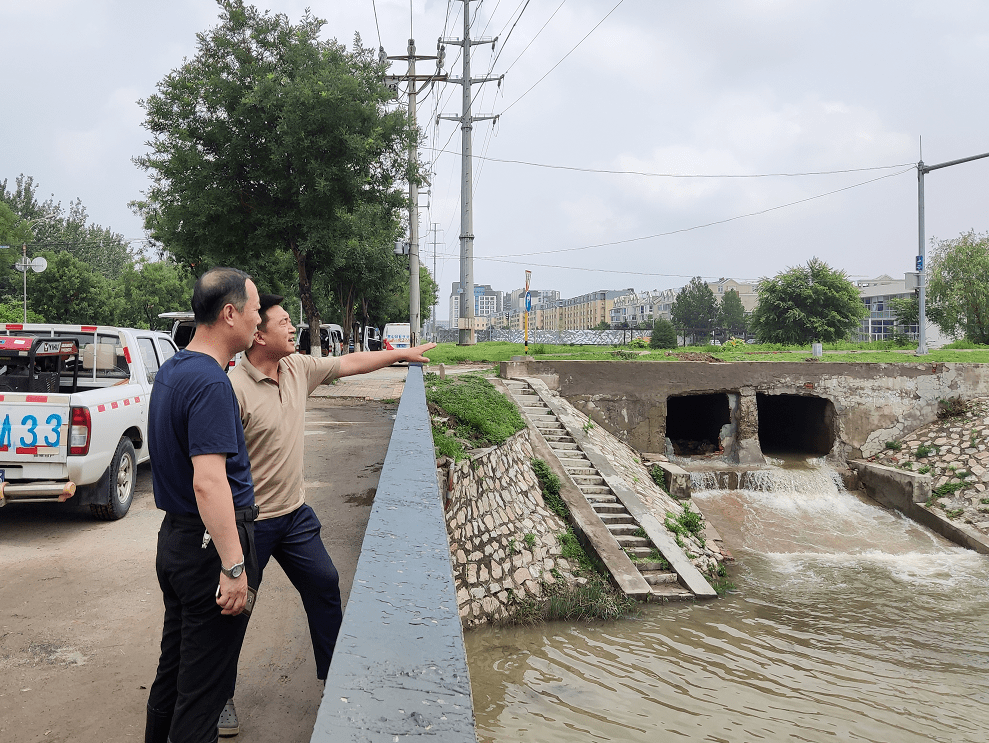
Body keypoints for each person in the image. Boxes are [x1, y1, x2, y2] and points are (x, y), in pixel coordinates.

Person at [219, 295, 434, 737]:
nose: (292, 328)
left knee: (324, 583)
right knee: (235, 610)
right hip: (251, 523)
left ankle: (333, 679)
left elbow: (350, 363)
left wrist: (402, 355)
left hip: (294, 515)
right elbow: (215, 470)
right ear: (258, 335)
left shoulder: (298, 368)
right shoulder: (233, 389)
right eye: (283, 322)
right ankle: (219, 696)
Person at [144, 267, 262, 743]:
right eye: (255, 310)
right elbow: (209, 483)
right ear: (230, 313)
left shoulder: (174, 369)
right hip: (207, 550)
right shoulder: (211, 383)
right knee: (203, 696)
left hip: (176, 541)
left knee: (173, 675)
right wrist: (233, 566)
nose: (259, 320)